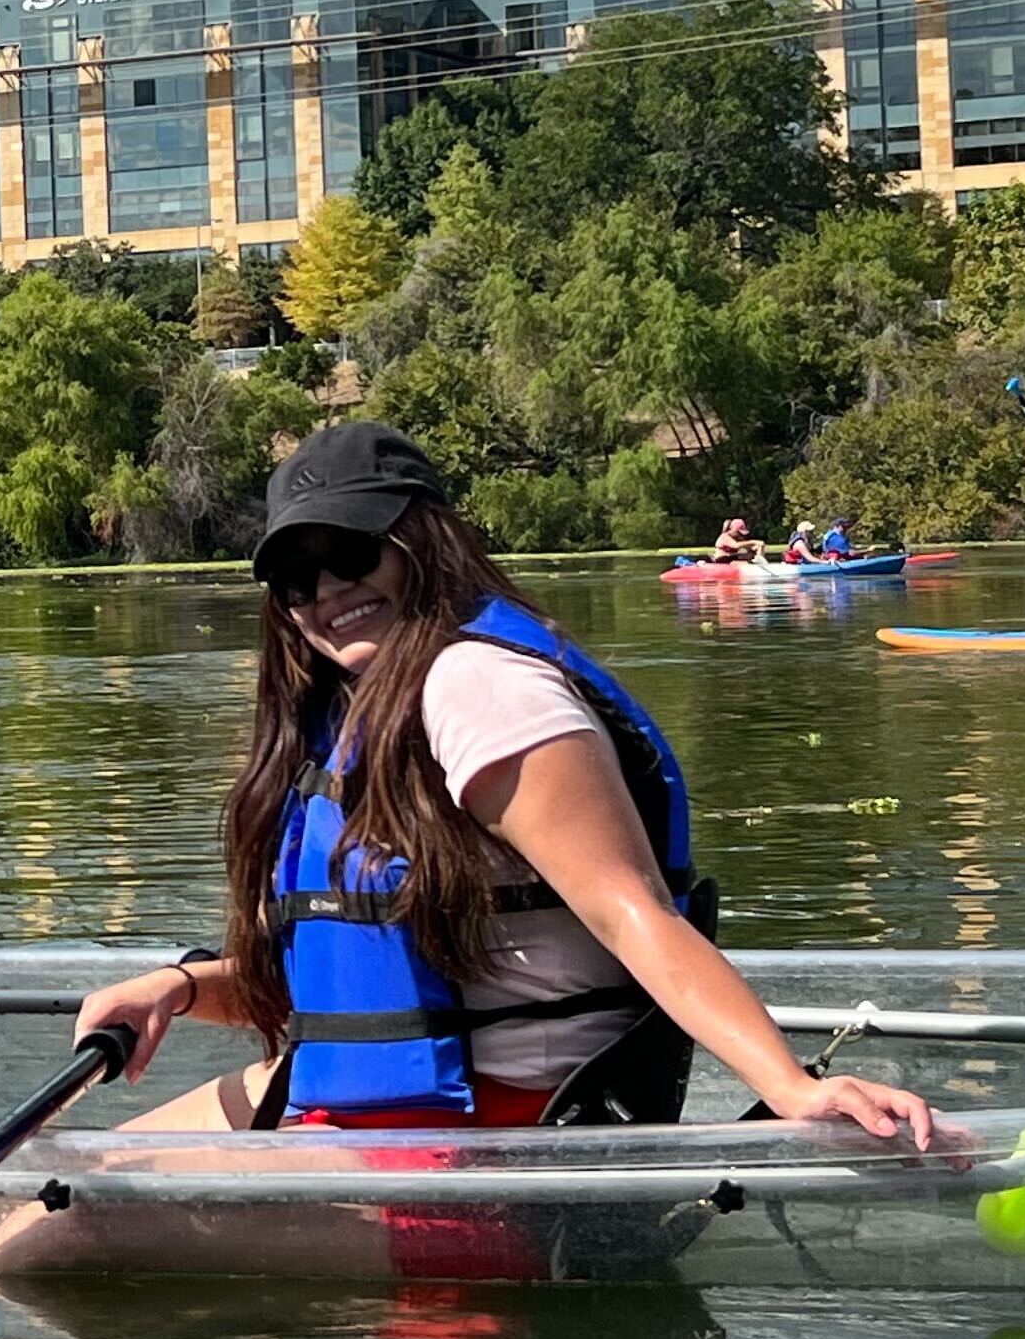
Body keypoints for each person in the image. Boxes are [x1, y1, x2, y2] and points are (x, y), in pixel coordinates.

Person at [51, 424, 935, 1144]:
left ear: (421, 543)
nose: (325, 590)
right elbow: (348, 983)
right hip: (400, 1107)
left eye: (352, 550)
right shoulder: (365, 708)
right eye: (294, 574)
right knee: (19, 1206)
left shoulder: (479, 685)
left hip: (497, 1132)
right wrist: (178, 986)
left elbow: (632, 914)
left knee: (50, 1230)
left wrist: (788, 1086)